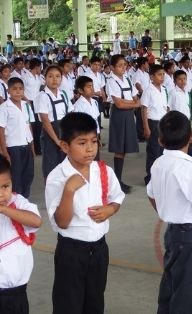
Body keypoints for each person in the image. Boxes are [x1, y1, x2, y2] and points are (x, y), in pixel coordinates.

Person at [45, 112, 124, 314]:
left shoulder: (103, 171)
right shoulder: (57, 177)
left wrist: (110, 209)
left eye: (94, 141)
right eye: (82, 143)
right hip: (71, 251)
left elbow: (117, 198)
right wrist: (69, 191)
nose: (90, 149)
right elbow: (62, 222)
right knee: (68, 304)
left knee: (95, 301)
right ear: (65, 146)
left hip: (99, 249)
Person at [146, 110, 192, 314]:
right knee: (187, 290)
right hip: (191, 235)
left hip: (173, 232)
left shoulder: (158, 164)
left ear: (160, 140)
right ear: (191, 136)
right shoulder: (190, 168)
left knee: (171, 283)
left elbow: (151, 194)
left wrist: (164, 210)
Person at [0, 154, 42, 314]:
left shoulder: (19, 203)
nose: (2, 194)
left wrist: (4, 209)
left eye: (5, 186)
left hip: (16, 292)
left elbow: (36, 221)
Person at [106, 54, 140, 193]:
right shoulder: (111, 82)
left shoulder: (127, 78)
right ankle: (117, 181)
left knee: (125, 149)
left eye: (124, 65)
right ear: (112, 68)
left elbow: (136, 98)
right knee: (119, 148)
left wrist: (131, 103)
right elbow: (118, 104)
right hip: (119, 116)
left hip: (128, 115)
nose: (123, 68)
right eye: (120, 66)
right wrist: (132, 103)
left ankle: (119, 181)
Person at [34, 65, 73, 179]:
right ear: (45, 79)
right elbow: (45, 121)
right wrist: (57, 141)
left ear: (61, 78)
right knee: (51, 166)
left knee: (66, 165)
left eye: (57, 76)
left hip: (65, 133)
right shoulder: (42, 96)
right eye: (50, 76)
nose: (54, 79)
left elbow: (70, 115)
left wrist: (69, 137)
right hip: (50, 134)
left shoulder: (64, 94)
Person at [0, 77, 35, 198]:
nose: (18, 92)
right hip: (13, 148)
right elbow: (1, 131)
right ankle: (15, 201)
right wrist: (5, 153)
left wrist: (32, 146)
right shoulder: (4, 108)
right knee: (16, 177)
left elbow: (28, 125)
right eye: (14, 89)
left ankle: (24, 199)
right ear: (8, 91)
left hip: (26, 145)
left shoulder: (26, 105)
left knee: (28, 174)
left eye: (21, 89)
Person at [141, 64, 168, 185]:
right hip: (153, 122)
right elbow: (144, 109)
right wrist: (146, 127)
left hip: (162, 122)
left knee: (162, 150)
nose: (162, 77)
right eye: (159, 74)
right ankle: (150, 177)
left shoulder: (164, 90)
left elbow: (165, 107)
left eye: (163, 74)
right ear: (152, 77)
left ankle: (159, 175)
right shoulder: (148, 90)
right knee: (153, 151)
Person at [73, 76, 101, 152]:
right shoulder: (78, 105)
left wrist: (97, 138)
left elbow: (96, 122)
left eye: (92, 86)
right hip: (85, 138)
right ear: (80, 90)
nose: (92, 89)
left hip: (94, 136)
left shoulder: (94, 102)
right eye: (89, 87)